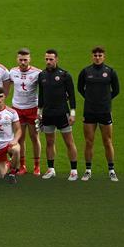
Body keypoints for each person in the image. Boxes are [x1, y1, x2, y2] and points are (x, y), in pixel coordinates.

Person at [77, 46, 120, 182]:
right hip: (89, 111)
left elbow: (116, 90)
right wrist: (90, 99)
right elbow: (80, 88)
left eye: (100, 55)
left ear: (104, 57)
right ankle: (88, 170)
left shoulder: (110, 72)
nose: (97, 57)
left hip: (105, 111)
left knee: (107, 141)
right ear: (92, 56)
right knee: (89, 141)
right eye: (95, 55)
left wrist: (105, 100)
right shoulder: (85, 71)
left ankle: (111, 170)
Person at [37, 49, 78, 181]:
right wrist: (39, 112)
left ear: (56, 59)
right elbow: (41, 95)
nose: (48, 62)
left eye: (51, 59)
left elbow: (71, 95)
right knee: (49, 142)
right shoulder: (42, 75)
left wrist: (72, 113)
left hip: (62, 114)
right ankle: (51, 169)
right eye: (46, 59)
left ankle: (73, 171)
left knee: (69, 142)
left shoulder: (65, 75)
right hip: (48, 114)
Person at [9, 48, 42, 176]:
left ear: (30, 59)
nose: (23, 62)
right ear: (17, 59)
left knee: (34, 137)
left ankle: (37, 166)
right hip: (17, 109)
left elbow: (45, 90)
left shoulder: (37, 73)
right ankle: (22, 166)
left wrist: (41, 109)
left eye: (25, 60)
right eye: (21, 60)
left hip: (32, 108)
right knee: (20, 139)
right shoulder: (12, 72)